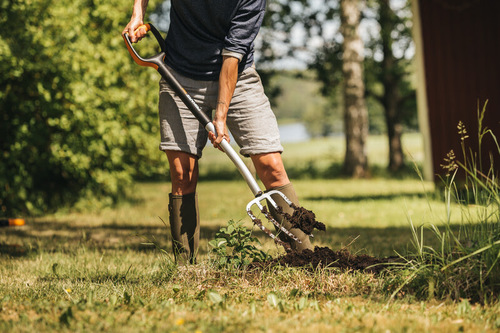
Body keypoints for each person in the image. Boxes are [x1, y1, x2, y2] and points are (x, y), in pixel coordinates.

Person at [123, 0, 312, 264]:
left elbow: (232, 57)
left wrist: (220, 116)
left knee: (271, 165)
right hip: (180, 73)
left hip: (239, 77)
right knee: (182, 173)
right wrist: (137, 14)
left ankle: (306, 259)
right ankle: (184, 268)